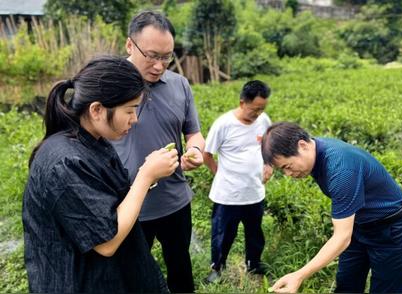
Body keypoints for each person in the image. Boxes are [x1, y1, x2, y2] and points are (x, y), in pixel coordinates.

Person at [22, 56, 179, 293]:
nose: (134, 119)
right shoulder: (65, 162)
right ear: (96, 109)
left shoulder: (91, 140)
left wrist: (147, 176)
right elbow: (106, 242)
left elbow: (107, 201)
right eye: (130, 110)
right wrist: (145, 177)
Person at [261, 122, 402, 293]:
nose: (288, 175)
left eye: (287, 167)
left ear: (302, 145)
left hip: (392, 230)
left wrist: (298, 275)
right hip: (359, 226)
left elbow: (342, 237)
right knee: (346, 285)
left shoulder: (341, 169)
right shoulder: (315, 149)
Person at [110, 11, 204, 293]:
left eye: (166, 57)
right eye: (151, 55)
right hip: (127, 206)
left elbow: (193, 132)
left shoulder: (179, 85)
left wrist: (196, 149)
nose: (159, 65)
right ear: (129, 45)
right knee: (132, 275)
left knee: (180, 266)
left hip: (175, 200)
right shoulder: (107, 87)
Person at [203, 80, 273, 283]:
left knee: (255, 233)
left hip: (254, 192)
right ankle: (217, 268)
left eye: (262, 109)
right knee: (222, 235)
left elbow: (269, 146)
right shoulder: (223, 124)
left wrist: (269, 165)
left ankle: (254, 263)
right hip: (228, 195)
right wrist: (219, 173)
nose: (258, 113)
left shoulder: (263, 120)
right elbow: (208, 155)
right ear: (242, 102)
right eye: (254, 109)